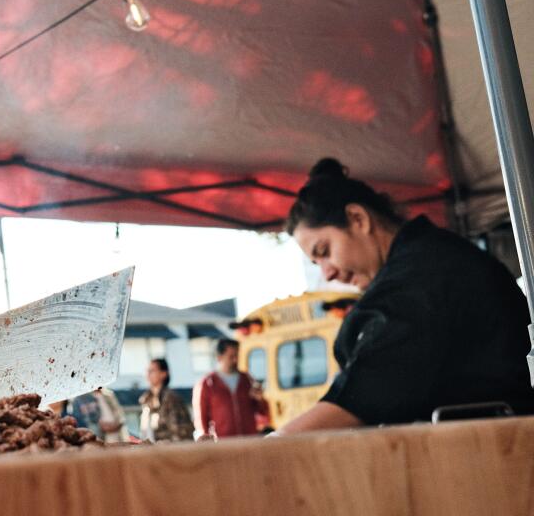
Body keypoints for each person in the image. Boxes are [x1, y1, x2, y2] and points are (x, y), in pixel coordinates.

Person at [277, 158, 534, 434]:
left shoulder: (427, 275)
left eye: (324, 251)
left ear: (358, 219)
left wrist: (271, 446)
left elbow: (366, 392)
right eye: (316, 264)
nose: (327, 274)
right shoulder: (426, 260)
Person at [192, 338, 268, 438]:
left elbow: (263, 411)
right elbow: (201, 417)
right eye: (231, 356)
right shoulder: (207, 383)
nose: (235, 360)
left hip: (249, 439)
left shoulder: (247, 379)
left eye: (237, 355)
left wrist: (260, 399)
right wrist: (206, 440)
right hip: (224, 443)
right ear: (219, 358)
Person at [138, 358, 192, 443]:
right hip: (152, 453)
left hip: (171, 452)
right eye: (147, 371)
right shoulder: (146, 400)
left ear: (164, 374)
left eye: (152, 371)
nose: (148, 374)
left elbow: (182, 433)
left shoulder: (171, 399)